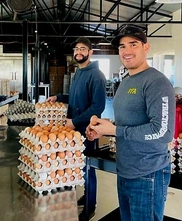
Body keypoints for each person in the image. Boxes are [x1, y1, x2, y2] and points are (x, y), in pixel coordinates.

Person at [86, 26, 175, 221]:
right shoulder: (126, 81)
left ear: (146, 47)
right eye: (121, 46)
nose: (126, 51)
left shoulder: (156, 82)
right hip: (125, 169)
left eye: (133, 44)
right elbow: (128, 122)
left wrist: (116, 129)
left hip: (148, 173)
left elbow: (163, 132)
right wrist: (105, 129)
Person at [46, 37, 106, 221]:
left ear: (90, 52)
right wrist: (58, 97)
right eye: (76, 49)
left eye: (82, 49)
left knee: (88, 168)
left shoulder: (96, 75)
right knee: (76, 166)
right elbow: (74, 98)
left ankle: (90, 206)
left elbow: (97, 107)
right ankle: (85, 197)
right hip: (73, 129)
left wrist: (75, 122)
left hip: (87, 129)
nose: (78, 52)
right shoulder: (78, 72)